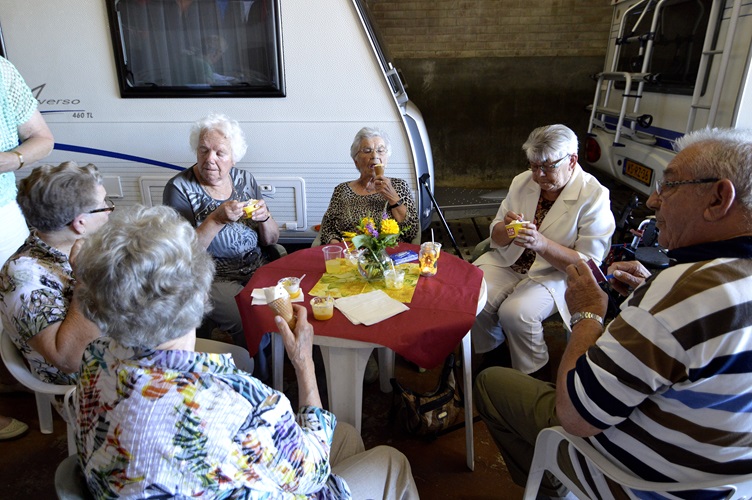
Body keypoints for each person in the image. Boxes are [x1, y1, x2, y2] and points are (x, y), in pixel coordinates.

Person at [475, 128, 752, 498]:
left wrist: (589, 315)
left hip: (641, 482)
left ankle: (555, 483)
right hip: (726, 480)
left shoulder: (680, 293)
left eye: (668, 186)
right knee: (478, 297)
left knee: (493, 378)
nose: (653, 202)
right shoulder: (714, 283)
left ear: (718, 199)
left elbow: (575, 413)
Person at [73, 205, 420, 499]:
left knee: (343, 434)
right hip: (270, 479)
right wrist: (303, 364)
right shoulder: (239, 400)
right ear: (201, 297)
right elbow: (311, 471)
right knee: (391, 460)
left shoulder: (94, 360)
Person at [471, 124, 615, 378]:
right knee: (472, 295)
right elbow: (495, 233)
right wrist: (507, 230)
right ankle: (494, 353)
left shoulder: (594, 195)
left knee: (516, 313)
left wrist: (541, 243)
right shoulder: (522, 181)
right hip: (510, 261)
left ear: (572, 160)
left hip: (556, 272)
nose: (538, 175)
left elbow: (589, 265)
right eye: (533, 165)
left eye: (547, 167)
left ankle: (535, 375)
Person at [163, 113, 280, 352]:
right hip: (213, 277)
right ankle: (259, 376)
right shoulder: (179, 188)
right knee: (249, 318)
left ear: (234, 158)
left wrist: (265, 217)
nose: (209, 159)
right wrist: (216, 219)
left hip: (258, 266)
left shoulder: (245, 179)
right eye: (203, 151)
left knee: (290, 301)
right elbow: (182, 254)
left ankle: (279, 358)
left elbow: (272, 239)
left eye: (219, 153)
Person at [0, 162, 107, 387]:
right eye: (104, 205)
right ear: (80, 222)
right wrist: (85, 280)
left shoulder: (79, 243)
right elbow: (68, 360)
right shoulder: (22, 279)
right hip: (90, 387)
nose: (108, 210)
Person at [0, 55, 55, 440]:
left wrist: (12, 158)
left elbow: (42, 137)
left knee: (20, 301)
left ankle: (22, 379)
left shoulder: (1, 71)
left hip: (3, 211)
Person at [319, 127, 419, 245]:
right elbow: (327, 228)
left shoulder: (399, 186)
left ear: (386, 159)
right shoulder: (342, 190)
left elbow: (412, 231)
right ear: (356, 160)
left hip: (390, 255)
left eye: (381, 151)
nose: (374, 156)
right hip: (350, 257)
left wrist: (392, 197)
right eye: (367, 151)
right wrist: (340, 249)